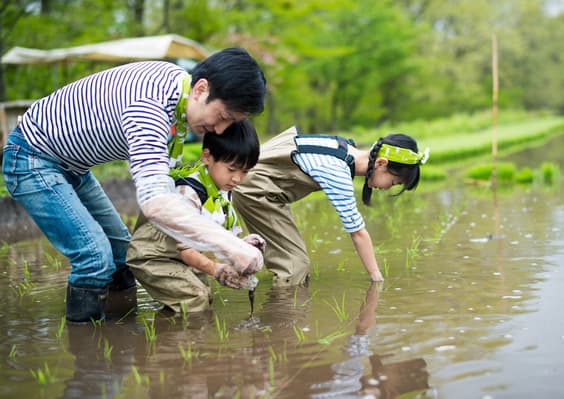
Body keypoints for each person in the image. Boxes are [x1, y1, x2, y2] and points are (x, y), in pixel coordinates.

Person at [1, 47, 267, 323]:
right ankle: (88, 351)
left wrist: (233, 242)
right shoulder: (148, 109)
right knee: (94, 258)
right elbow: (155, 201)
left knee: (121, 256)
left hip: (73, 168)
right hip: (33, 158)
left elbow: (167, 188)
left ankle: (122, 339)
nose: (221, 130)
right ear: (201, 89)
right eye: (223, 117)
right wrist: (230, 248)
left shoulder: (177, 87)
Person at [232, 125, 429, 287]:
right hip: (254, 190)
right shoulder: (338, 172)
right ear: (381, 163)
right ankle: (281, 324)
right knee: (295, 266)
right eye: (393, 182)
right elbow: (357, 233)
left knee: (291, 258)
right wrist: (377, 279)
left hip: (259, 187)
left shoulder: (342, 146)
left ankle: (243, 271)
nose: (387, 188)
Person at [126, 120, 265, 313]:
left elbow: (218, 237)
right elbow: (187, 250)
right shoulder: (189, 192)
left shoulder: (222, 190)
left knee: (205, 296)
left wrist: (243, 245)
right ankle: (179, 341)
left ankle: (167, 326)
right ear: (207, 156)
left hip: (179, 257)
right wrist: (217, 270)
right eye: (231, 169)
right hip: (154, 257)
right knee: (195, 299)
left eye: (245, 172)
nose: (237, 179)